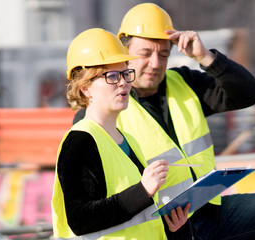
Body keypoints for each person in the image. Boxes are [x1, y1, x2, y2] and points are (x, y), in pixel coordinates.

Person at [73, 3, 255, 240]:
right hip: (162, 227)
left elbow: (249, 93)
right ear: (124, 53)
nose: (156, 63)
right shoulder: (103, 111)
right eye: (145, 54)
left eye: (164, 54)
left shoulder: (185, 82)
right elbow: (91, 205)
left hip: (210, 212)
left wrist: (206, 57)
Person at [51, 28, 183, 240]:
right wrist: (143, 190)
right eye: (111, 76)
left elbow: (135, 218)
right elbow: (81, 219)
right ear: (85, 88)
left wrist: (170, 227)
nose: (123, 82)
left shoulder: (127, 141)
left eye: (125, 73)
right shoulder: (80, 141)